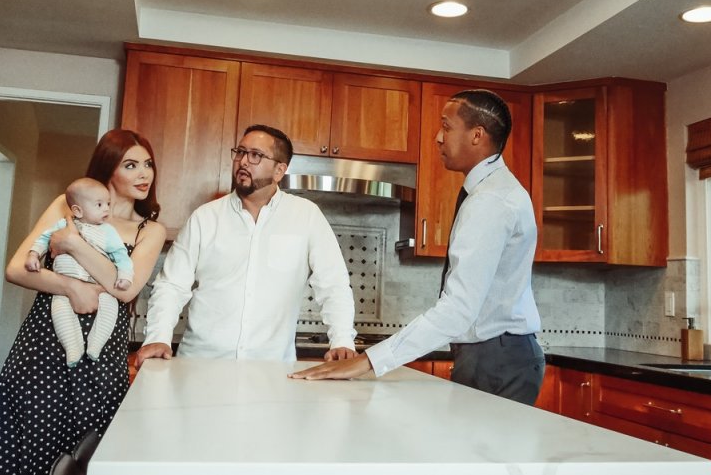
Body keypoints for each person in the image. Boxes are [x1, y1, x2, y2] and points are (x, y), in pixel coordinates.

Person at [289, 89, 545, 406]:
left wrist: (367, 361)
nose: (438, 137)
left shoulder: (491, 201)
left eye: (447, 126)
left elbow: (457, 310)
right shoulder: (490, 192)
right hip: (495, 355)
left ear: (477, 135)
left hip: (497, 360)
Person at [0, 129, 167, 475]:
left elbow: (125, 290)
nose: (144, 174)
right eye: (130, 165)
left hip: (102, 360)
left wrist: (74, 243)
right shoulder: (66, 205)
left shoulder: (150, 230)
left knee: (88, 461)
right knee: (31, 458)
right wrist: (70, 286)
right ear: (108, 168)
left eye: (148, 164)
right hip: (42, 351)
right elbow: (16, 269)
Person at [134, 124, 357, 368]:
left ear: (279, 170)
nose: (243, 161)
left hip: (271, 370)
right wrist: (157, 337)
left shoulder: (306, 216)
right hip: (200, 364)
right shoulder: (205, 218)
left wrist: (342, 340)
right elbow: (172, 285)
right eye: (240, 152)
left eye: (256, 155)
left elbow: (333, 284)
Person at [26, 177, 134, 366]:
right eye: (99, 205)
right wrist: (33, 255)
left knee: (111, 306)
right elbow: (43, 239)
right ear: (77, 210)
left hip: (96, 285)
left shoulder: (108, 232)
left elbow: (121, 255)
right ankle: (72, 348)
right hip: (63, 285)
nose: (106, 209)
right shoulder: (63, 225)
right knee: (59, 310)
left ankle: (96, 345)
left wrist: (125, 276)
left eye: (108, 204)